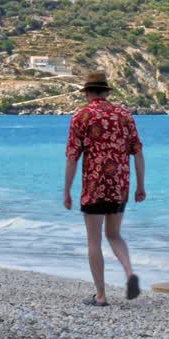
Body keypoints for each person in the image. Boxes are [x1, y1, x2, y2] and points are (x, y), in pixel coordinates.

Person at [64, 71, 145, 306]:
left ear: (88, 92)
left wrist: (67, 190)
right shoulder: (123, 114)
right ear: (106, 92)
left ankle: (100, 295)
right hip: (120, 184)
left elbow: (72, 158)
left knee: (94, 241)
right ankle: (129, 272)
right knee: (114, 234)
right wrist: (141, 186)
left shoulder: (82, 116)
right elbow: (138, 152)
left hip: (94, 185)